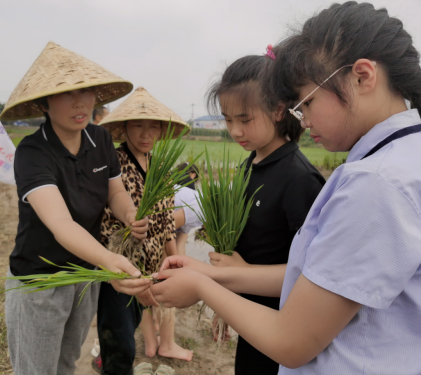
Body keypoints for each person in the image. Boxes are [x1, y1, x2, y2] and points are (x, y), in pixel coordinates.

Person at [151, 2, 421, 374]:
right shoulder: (401, 159)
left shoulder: (376, 184)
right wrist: (208, 274)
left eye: (307, 102)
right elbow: (316, 275)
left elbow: (290, 342)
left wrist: (201, 288)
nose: (304, 119)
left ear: (362, 76)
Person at [0, 42, 151, 375]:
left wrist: (129, 214)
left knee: (66, 363)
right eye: (67, 93)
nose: (80, 102)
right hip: (39, 280)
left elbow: (115, 192)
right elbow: (60, 223)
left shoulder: (99, 140)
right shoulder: (33, 152)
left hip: (84, 277)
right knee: (37, 369)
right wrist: (110, 259)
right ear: (44, 102)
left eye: (86, 92)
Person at [209, 53, 324, 372]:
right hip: (251, 315)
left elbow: (313, 270)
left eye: (244, 119)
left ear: (277, 110)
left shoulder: (299, 179)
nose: (235, 130)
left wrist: (239, 274)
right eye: (228, 119)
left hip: (280, 322)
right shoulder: (250, 164)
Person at [95, 87, 193, 375]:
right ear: (124, 128)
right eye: (138, 125)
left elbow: (164, 225)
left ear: (162, 130)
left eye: (153, 126)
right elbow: (108, 227)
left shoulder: (160, 168)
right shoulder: (114, 164)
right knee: (120, 343)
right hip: (120, 273)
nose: (145, 133)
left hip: (148, 273)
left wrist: (174, 264)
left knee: (129, 332)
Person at [173, 163, 201, 255]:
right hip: (183, 211)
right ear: (193, 174)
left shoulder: (170, 181)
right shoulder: (192, 192)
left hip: (167, 210)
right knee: (180, 243)